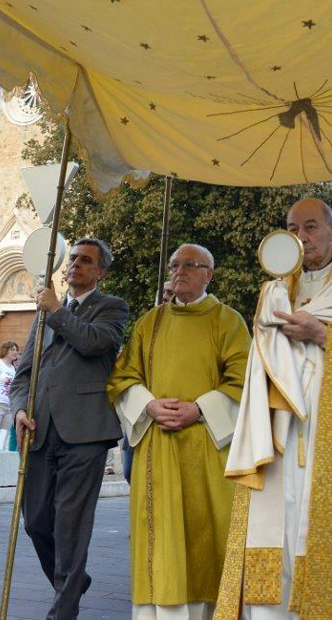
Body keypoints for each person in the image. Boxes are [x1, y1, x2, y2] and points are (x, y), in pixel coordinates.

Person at [218, 198, 332, 620]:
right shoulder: (275, 291)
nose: (302, 237)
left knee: (327, 528)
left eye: (311, 227)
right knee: (276, 526)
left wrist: (322, 334)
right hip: (280, 433)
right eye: (293, 228)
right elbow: (259, 362)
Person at [107, 244, 250, 620]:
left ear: (208, 274)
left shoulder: (229, 321)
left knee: (209, 536)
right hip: (158, 448)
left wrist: (199, 409)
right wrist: (149, 406)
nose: (179, 272)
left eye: (189, 265)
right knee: (161, 539)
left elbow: (245, 380)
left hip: (209, 450)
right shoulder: (150, 323)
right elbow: (123, 377)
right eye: (174, 265)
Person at [12, 237, 129, 620]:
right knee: (36, 523)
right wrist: (19, 410)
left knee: (71, 527)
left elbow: (95, 343)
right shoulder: (46, 311)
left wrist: (58, 310)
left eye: (85, 260)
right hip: (40, 431)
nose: (75, 264)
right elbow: (24, 373)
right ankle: (73, 581)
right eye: (73, 258)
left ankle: (63, 610)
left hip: (85, 433)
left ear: (100, 271)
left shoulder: (111, 307)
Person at [0, 340, 20, 430]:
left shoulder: (12, 368)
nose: (15, 352)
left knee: (6, 434)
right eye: (12, 350)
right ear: (5, 351)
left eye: (16, 350)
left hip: (8, 406)